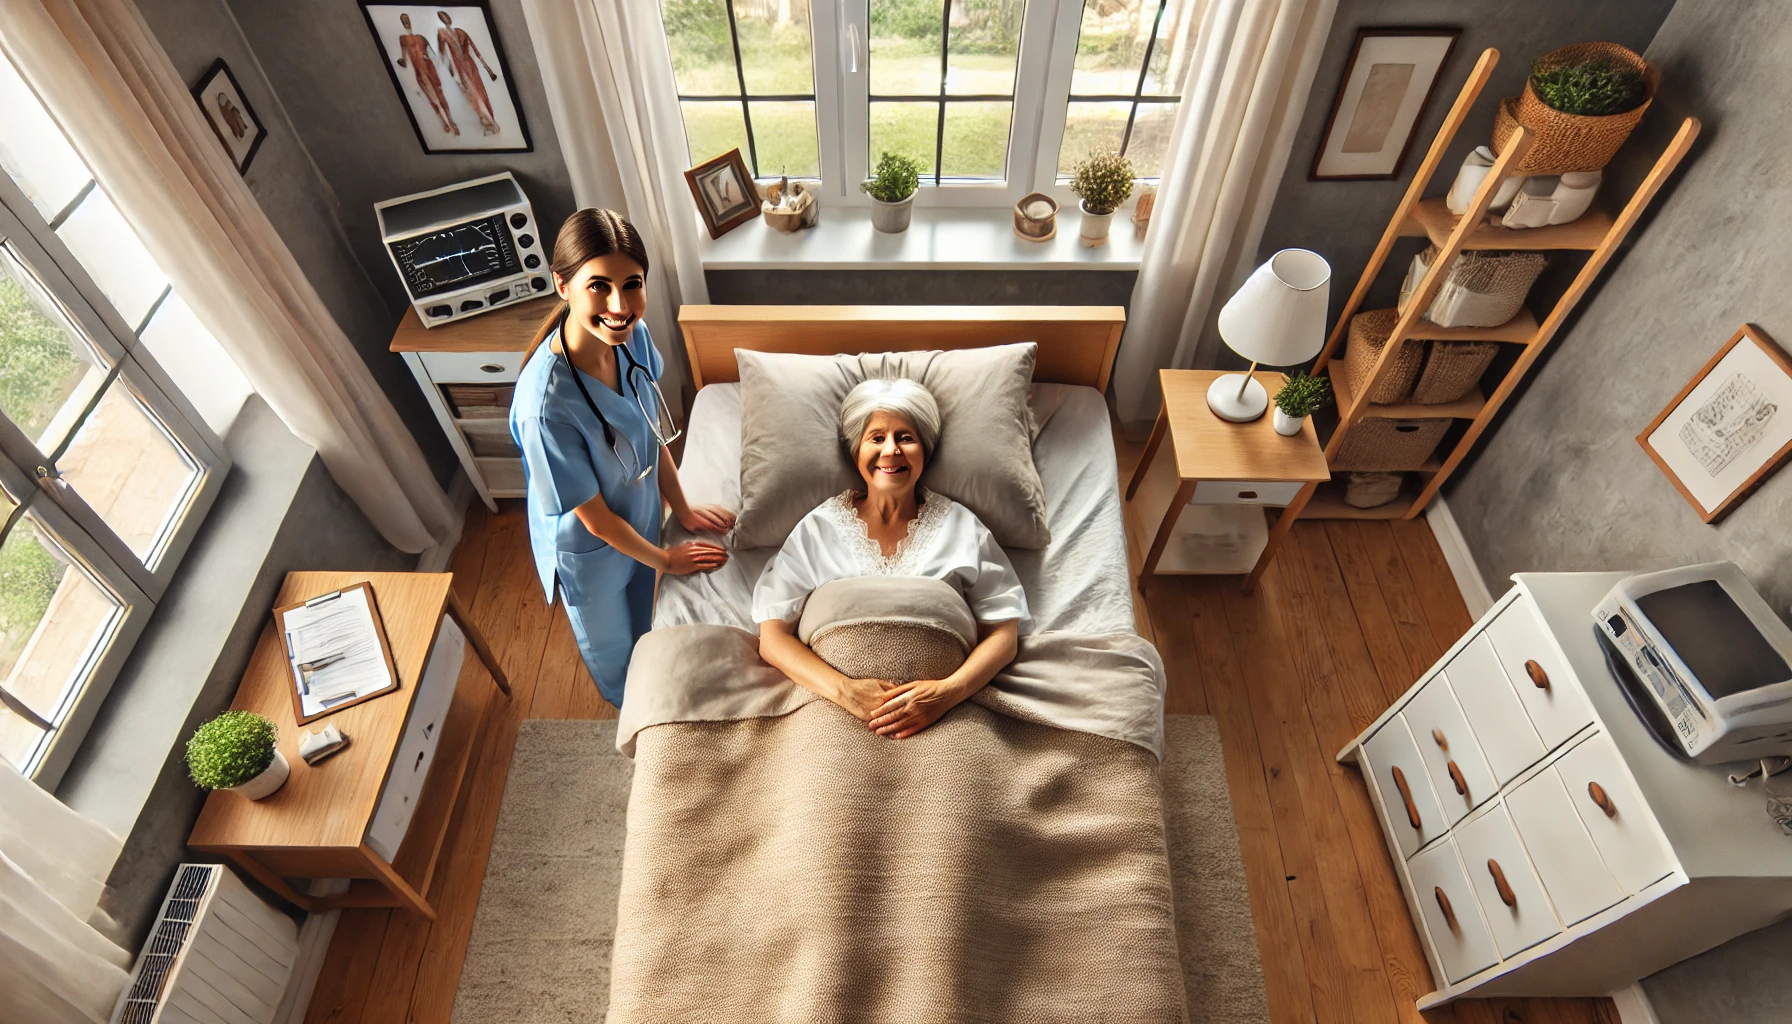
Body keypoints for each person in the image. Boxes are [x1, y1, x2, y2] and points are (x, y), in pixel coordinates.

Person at [511, 209, 733, 706]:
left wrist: (685, 508)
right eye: (599, 286)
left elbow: (652, 435)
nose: (619, 304)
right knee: (615, 661)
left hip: (640, 514)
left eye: (632, 284)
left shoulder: (635, 340)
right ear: (562, 285)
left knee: (644, 623)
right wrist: (666, 559)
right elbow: (593, 521)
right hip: (592, 550)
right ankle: (630, 714)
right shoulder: (544, 407)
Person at [752, 378, 1027, 739]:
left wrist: (947, 694)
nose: (892, 451)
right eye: (877, 438)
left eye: (906, 438)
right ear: (856, 452)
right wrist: (845, 692)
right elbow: (772, 638)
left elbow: (1004, 633)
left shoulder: (960, 526)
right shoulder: (819, 528)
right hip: (832, 711)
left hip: (947, 714)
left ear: (925, 451)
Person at [437, 10, 499, 135]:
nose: (446, 19)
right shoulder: (442, 33)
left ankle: (491, 122)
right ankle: (488, 123)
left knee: (481, 93)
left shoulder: (461, 32)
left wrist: (489, 70)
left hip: (470, 66)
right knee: (472, 95)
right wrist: (449, 69)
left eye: (446, 16)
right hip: (459, 69)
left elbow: (475, 50)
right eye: (442, 18)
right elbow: (442, 53)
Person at [395, 12, 455, 136]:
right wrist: (401, 62)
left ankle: (450, 120)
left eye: (406, 19)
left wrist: (447, 65)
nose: (405, 21)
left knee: (440, 94)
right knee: (431, 97)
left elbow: (433, 56)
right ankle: (444, 122)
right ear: (402, 23)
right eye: (403, 20)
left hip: (429, 68)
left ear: (410, 21)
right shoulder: (403, 39)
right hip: (419, 71)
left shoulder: (421, 38)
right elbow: (404, 59)